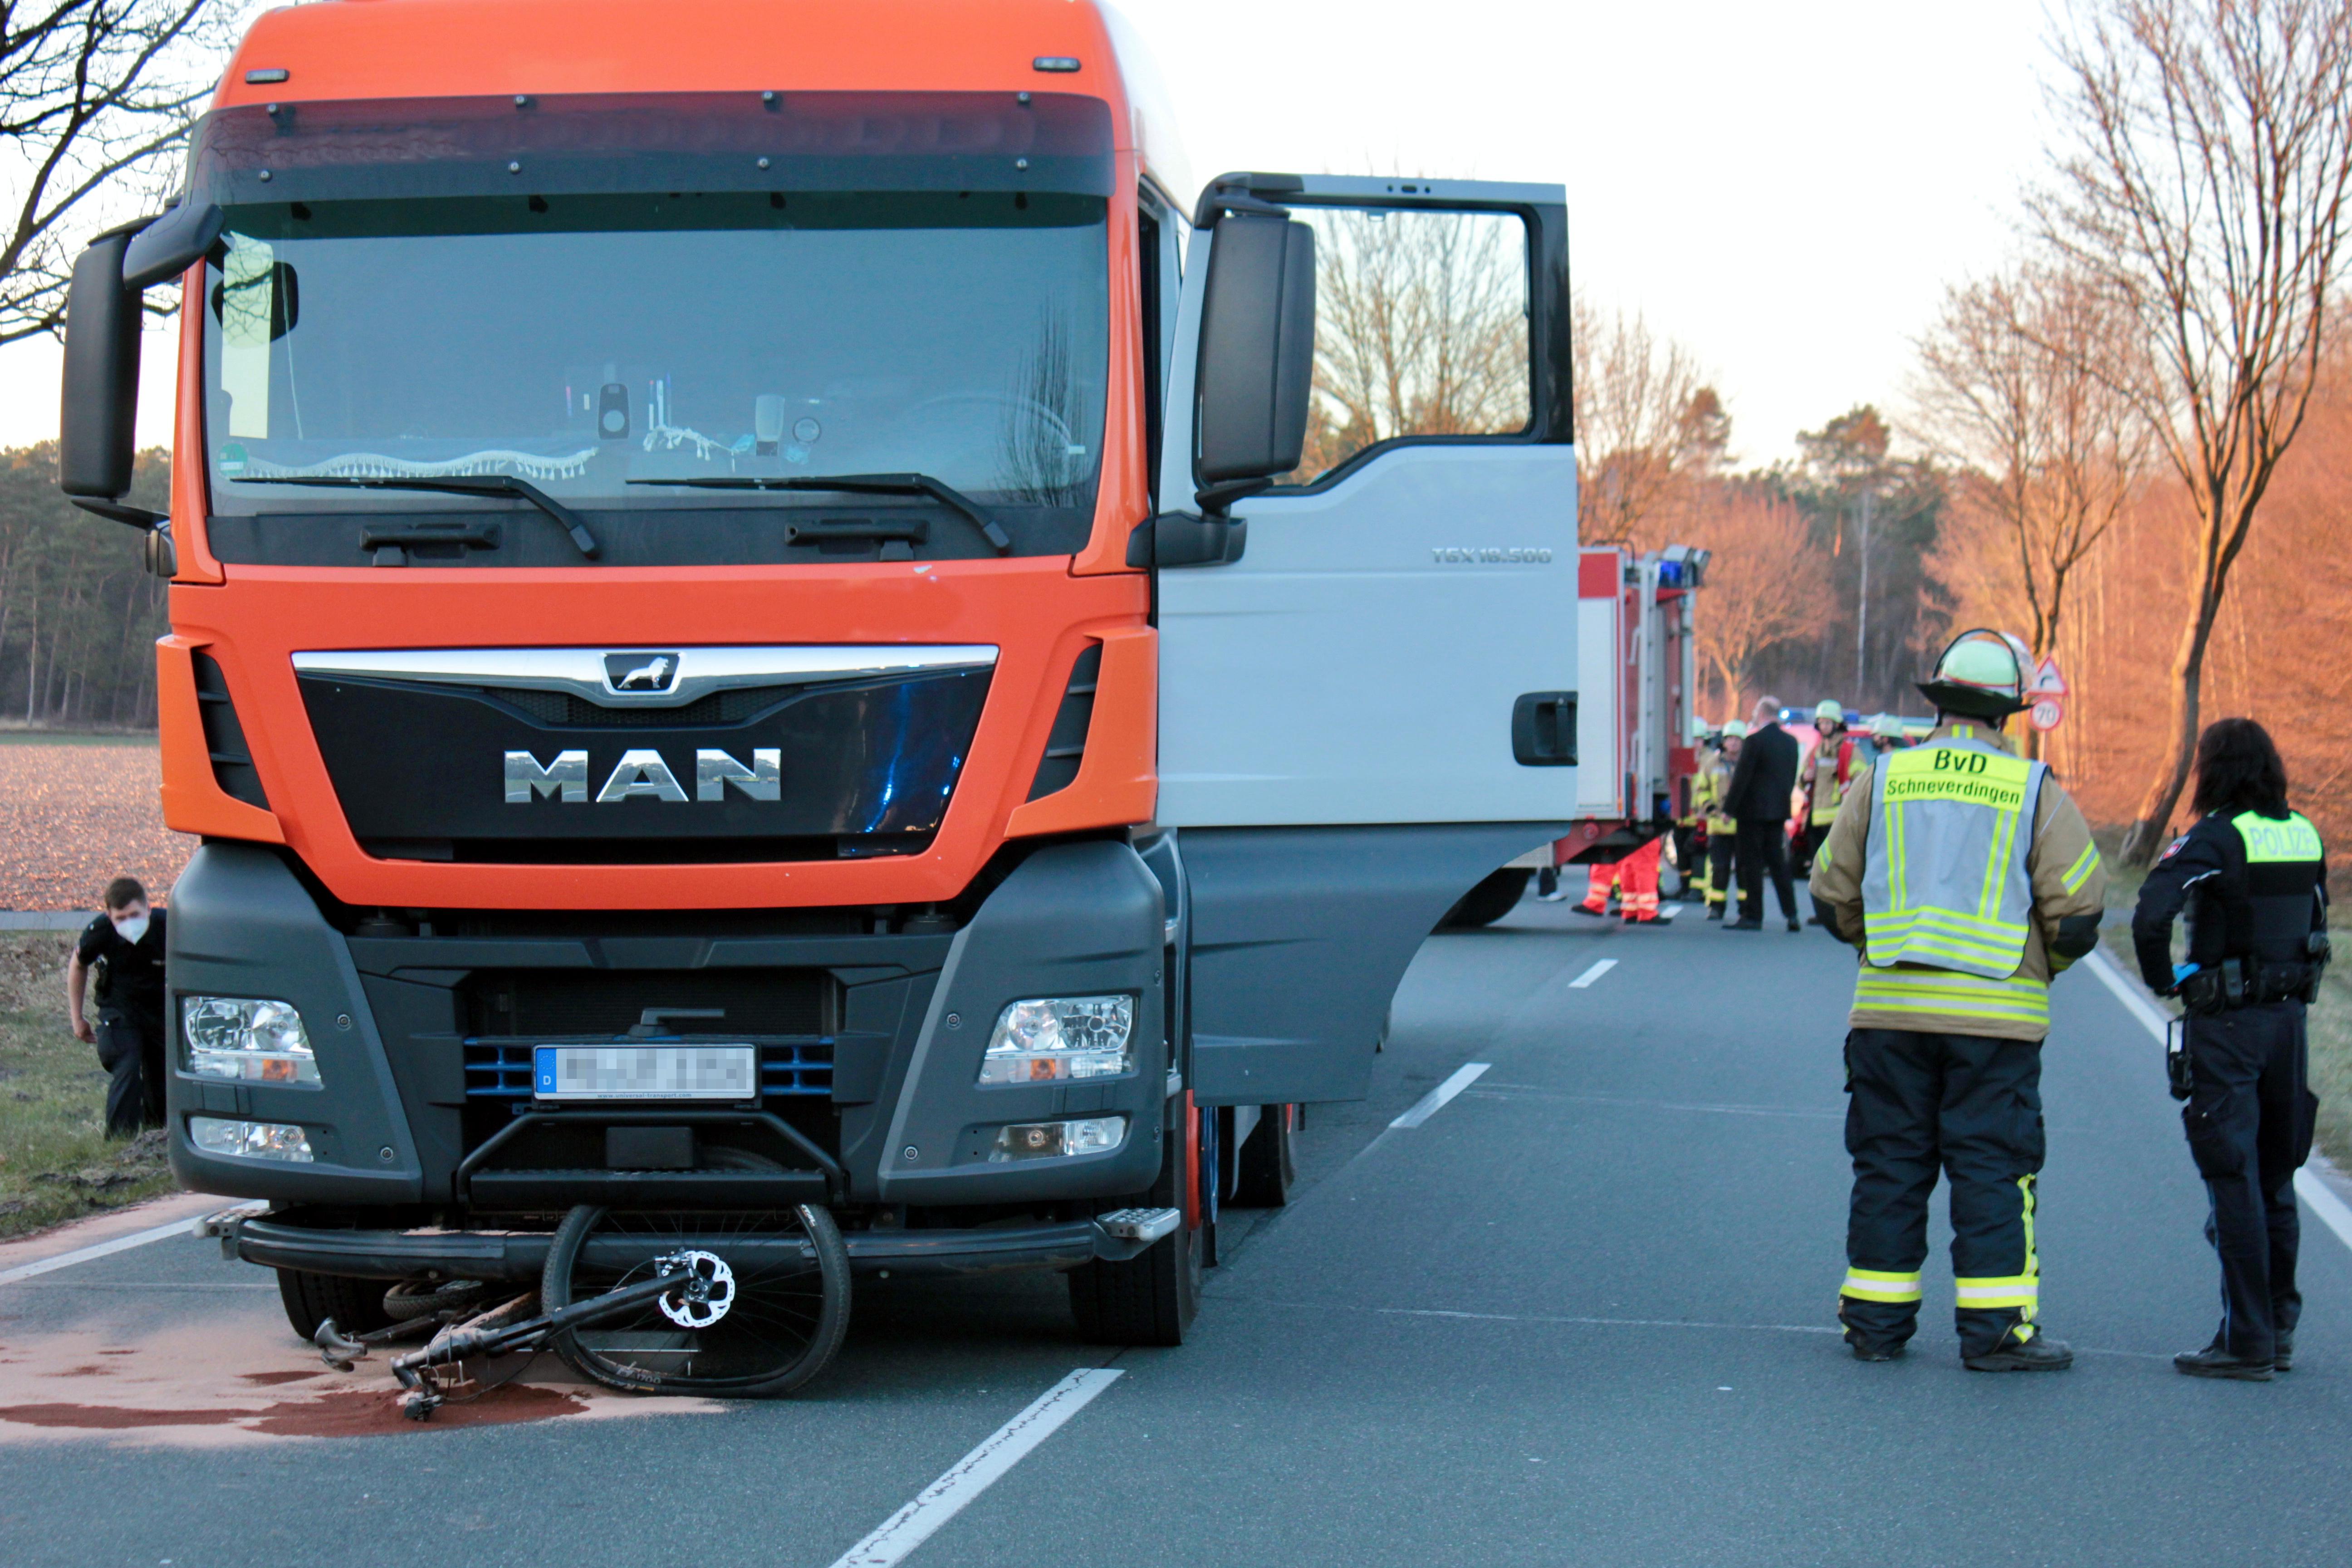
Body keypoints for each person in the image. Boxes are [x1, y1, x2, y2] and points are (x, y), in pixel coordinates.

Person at [1812, 630, 2106, 1370]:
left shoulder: (1880, 778)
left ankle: (1874, 1329)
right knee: (1990, 1171)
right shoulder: (2031, 789)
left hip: (1887, 1016)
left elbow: (1829, 890)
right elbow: (2077, 911)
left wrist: (1873, 945)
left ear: (1937, 700)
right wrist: (2036, 968)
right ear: (2008, 712)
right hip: (1996, 1026)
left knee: (1888, 1166)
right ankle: (1996, 1333)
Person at [2132, 718, 2327, 1381]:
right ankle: (2278, 1328)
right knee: (2276, 1175)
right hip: (2290, 1025)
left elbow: (2151, 913)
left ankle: (2244, 1340)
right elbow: (2316, 923)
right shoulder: (2303, 831)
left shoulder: (2214, 836)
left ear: (2212, 769)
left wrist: (2169, 981)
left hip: (2230, 1025)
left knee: (2231, 1173)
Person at [67, 877, 170, 1138]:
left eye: (135, 915)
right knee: (127, 1064)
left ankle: (156, 1139)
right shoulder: (99, 932)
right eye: (121, 918)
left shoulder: (171, 927)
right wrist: (77, 1018)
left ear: (148, 909)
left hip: (160, 1011)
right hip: (119, 1010)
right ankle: (119, 1143)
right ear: (109, 916)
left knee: (160, 1077)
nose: (129, 923)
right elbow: (78, 965)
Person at [1721, 696, 1800, 931]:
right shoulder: (1791, 742)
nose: (1754, 715)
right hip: (1778, 812)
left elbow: (1742, 778)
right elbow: (1791, 775)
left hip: (1752, 813)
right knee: (1778, 864)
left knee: (1751, 864)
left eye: (1756, 711)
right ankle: (1791, 914)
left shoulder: (1755, 741)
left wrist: (1729, 809)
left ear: (1763, 714)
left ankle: (1754, 915)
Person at [1797, 698, 1855, 885]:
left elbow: (1859, 781)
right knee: (1818, 870)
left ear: (1837, 724)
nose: (1824, 726)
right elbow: (1800, 783)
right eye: (1821, 722)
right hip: (1815, 821)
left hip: (1837, 819)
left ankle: (1831, 913)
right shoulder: (1816, 752)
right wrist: (1805, 777)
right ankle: (1821, 913)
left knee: (1834, 869)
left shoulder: (1848, 751)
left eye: (1828, 722)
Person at [1698, 720, 1744, 920]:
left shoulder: (1748, 763)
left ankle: (1746, 908)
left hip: (1743, 827)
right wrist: (1710, 808)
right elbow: (1701, 789)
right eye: (1730, 739)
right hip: (1719, 826)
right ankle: (1717, 907)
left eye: (1737, 739)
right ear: (1724, 742)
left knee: (1744, 872)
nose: (1733, 743)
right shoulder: (1712, 763)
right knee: (1719, 869)